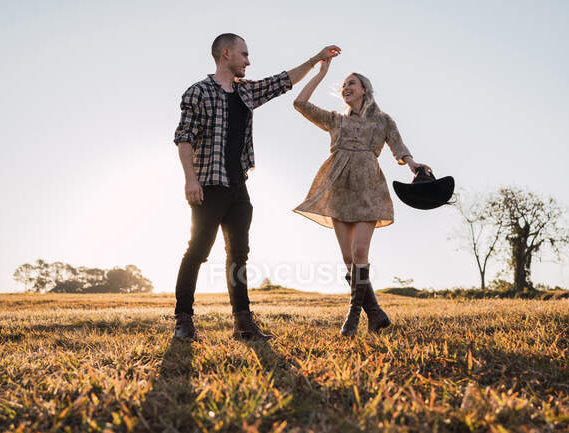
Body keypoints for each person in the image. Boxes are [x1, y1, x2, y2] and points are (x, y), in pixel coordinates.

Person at [173, 33, 341, 341]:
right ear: (226, 54)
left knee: (238, 255)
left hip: (239, 188)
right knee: (197, 251)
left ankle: (243, 324)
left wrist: (316, 59)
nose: (249, 61)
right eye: (244, 54)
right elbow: (184, 138)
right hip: (208, 186)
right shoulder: (198, 92)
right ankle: (183, 322)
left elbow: (282, 82)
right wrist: (190, 179)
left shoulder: (246, 92)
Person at [292, 58, 432, 336]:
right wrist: (321, 73)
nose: (346, 87)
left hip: (368, 188)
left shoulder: (383, 120)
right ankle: (376, 314)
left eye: (351, 83)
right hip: (338, 187)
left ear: (364, 89)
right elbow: (300, 103)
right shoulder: (335, 119)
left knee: (360, 252)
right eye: (343, 85)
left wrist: (413, 164)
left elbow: (398, 147)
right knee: (348, 258)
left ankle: (352, 317)